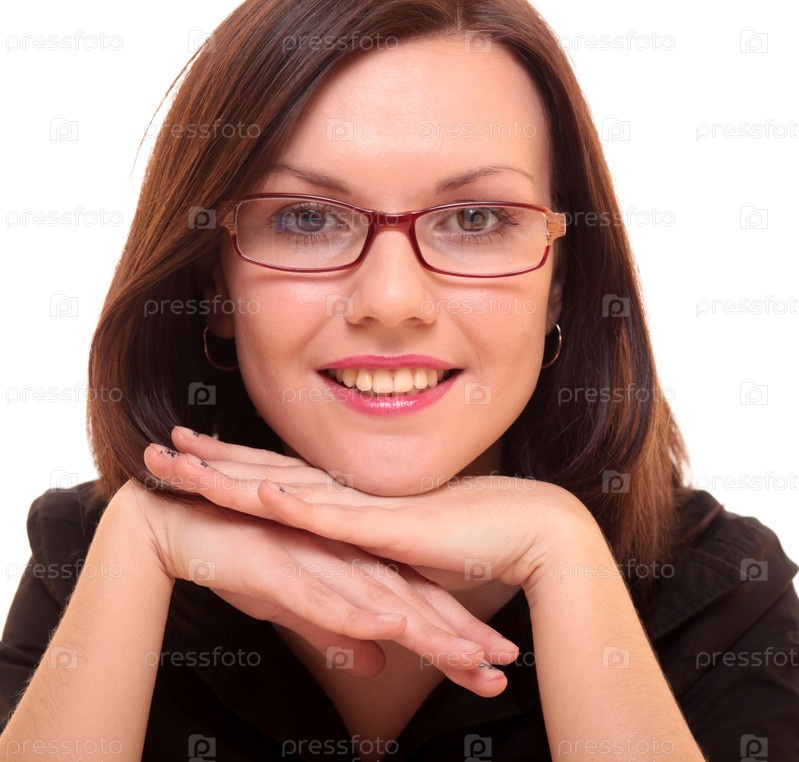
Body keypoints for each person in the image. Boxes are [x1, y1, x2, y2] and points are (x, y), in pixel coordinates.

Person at [1, 0, 797, 759]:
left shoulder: (724, 592)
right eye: (306, 218)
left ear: (559, 282)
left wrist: (559, 550)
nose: (391, 302)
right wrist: (140, 540)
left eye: (475, 219)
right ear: (214, 285)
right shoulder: (100, 554)